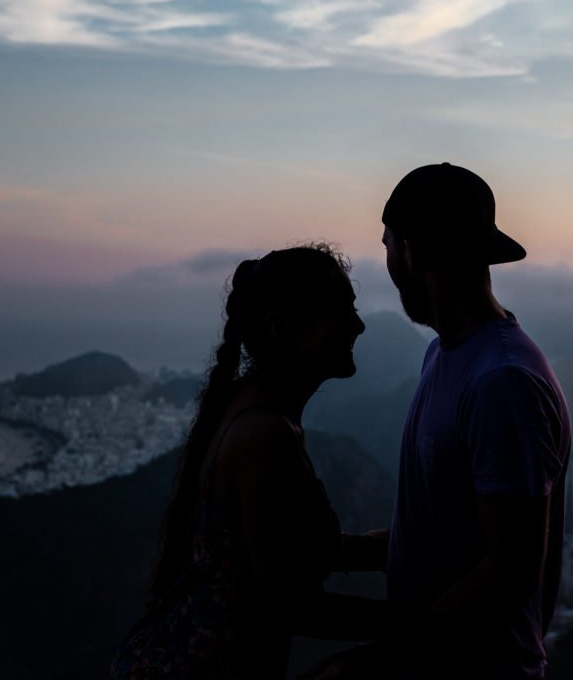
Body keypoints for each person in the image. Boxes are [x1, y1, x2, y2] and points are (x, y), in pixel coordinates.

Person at [306, 164, 571, 680]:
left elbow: (510, 569)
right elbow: (444, 533)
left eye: (387, 247)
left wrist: (374, 659)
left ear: (412, 252)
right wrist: (343, 552)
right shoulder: (445, 356)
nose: (386, 263)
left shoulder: (502, 381)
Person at [111, 244, 389, 680]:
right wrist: (425, 620)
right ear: (282, 330)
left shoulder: (253, 408)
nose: (358, 325)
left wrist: (392, 546)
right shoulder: (264, 434)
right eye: (338, 312)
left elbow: (287, 549)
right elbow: (291, 603)